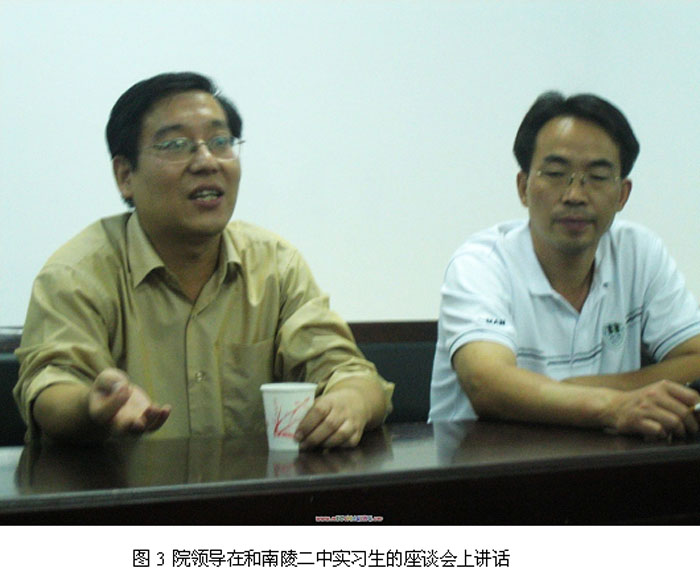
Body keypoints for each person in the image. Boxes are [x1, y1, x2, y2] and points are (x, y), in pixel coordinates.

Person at [14, 72, 392, 448]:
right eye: (176, 145)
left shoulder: (275, 265)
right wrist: (92, 406)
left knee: (362, 484)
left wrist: (351, 402)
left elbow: (348, 372)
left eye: (220, 141)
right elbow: (50, 388)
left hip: (254, 488)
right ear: (125, 175)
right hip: (122, 487)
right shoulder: (76, 274)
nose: (207, 161)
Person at [429, 91, 700, 440]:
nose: (575, 195)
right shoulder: (481, 264)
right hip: (488, 463)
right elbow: (487, 384)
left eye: (597, 176)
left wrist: (594, 389)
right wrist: (614, 406)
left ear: (622, 194)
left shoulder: (638, 252)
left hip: (605, 461)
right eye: (556, 173)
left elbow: (695, 357)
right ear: (523, 187)